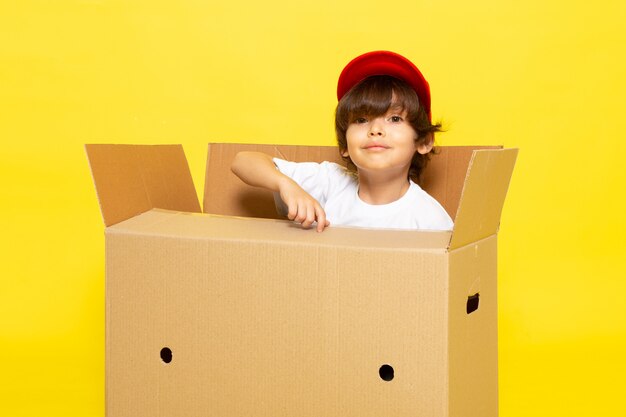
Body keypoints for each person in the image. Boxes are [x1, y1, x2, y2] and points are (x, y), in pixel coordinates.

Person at [231, 50, 454, 233]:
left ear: (423, 141)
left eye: (394, 119)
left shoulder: (430, 220)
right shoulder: (331, 184)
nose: (375, 130)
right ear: (344, 145)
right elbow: (242, 161)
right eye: (361, 119)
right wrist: (285, 185)